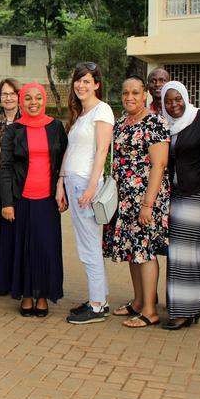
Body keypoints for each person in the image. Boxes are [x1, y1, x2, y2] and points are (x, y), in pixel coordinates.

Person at [0, 83, 67, 317]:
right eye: (28, 98)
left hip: (47, 200)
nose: (33, 102)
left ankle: (43, 295)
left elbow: (64, 163)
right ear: (21, 101)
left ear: (44, 100)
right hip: (20, 200)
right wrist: (6, 202)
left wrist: (62, 189)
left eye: (38, 98)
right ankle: (26, 295)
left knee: (45, 248)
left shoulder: (56, 127)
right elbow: (5, 167)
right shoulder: (14, 130)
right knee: (23, 249)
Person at [104, 75, 170, 328]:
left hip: (146, 198)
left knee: (145, 251)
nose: (129, 97)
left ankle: (151, 310)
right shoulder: (121, 123)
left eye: (135, 93)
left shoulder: (154, 123)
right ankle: (139, 301)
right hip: (125, 199)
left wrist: (147, 204)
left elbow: (159, 164)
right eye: (125, 93)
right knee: (133, 251)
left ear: (145, 95)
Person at [57, 62, 115, 325]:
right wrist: (60, 181)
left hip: (85, 184)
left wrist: (92, 186)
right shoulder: (81, 113)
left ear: (97, 84)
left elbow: (102, 151)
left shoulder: (102, 111)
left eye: (86, 81)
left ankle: (96, 305)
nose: (81, 85)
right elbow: (70, 150)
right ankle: (99, 297)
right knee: (86, 243)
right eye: (78, 81)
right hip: (73, 181)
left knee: (89, 245)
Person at [159, 81, 200, 330]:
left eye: (177, 99)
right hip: (177, 195)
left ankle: (183, 312)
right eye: (168, 101)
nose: (174, 105)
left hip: (199, 195)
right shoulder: (165, 126)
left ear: (186, 97)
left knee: (192, 254)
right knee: (179, 254)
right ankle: (189, 308)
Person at [0, 78, 20, 294]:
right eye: (4, 94)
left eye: (12, 94)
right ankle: (1, 276)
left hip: (19, 182)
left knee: (16, 229)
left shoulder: (26, 120)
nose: (8, 97)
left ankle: (15, 275)